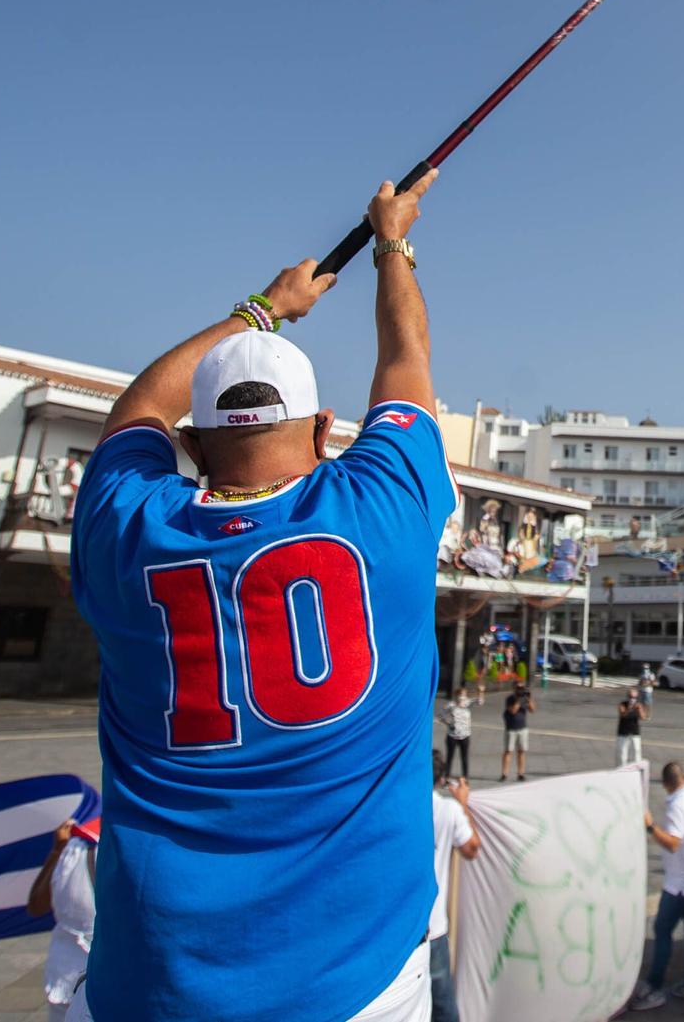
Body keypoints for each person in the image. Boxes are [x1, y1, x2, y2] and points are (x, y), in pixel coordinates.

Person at [68, 171, 455, 1021]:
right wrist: (393, 240)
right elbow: (406, 360)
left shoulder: (126, 521)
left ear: (196, 444)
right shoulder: (381, 510)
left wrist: (266, 306)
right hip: (356, 981)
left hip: (156, 978)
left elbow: (138, 407)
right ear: (325, 429)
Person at [630, 762, 684, 1011]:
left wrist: (651, 827)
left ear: (666, 784)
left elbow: (673, 843)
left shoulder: (677, 805)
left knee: (662, 929)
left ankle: (655, 987)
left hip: (681, 882)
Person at [24, 817, 97, 1022]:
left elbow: (36, 905)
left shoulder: (75, 845)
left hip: (64, 977)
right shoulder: (125, 847)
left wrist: (57, 851)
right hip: (103, 980)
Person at [428, 757, 479, 1022]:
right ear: (441, 780)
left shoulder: (397, 803)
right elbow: (471, 848)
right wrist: (463, 804)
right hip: (433, 925)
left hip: (399, 928)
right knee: (443, 1007)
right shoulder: (447, 810)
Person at [501, 680, 535, 782]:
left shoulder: (524, 697)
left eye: (522, 688)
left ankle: (521, 773)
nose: (520, 690)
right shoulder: (510, 699)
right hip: (511, 729)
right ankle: (504, 774)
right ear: (514, 689)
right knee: (508, 751)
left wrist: (529, 699)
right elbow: (513, 711)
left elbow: (533, 710)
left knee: (521, 751)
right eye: (518, 688)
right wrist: (519, 699)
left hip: (522, 729)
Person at [441, 688, 474, 781]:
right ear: (456, 695)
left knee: (464, 757)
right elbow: (440, 715)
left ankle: (465, 777)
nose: (462, 697)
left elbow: (480, 702)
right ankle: (447, 777)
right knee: (450, 756)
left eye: (464, 695)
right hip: (452, 735)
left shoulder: (468, 703)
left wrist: (481, 691)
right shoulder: (451, 705)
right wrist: (448, 723)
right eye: (461, 695)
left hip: (465, 735)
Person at [616, 688, 648, 767]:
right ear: (627, 697)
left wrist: (639, 709)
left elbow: (643, 717)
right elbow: (622, 714)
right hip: (623, 731)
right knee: (622, 752)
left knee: (637, 750)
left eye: (634, 697)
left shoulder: (639, 705)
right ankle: (621, 768)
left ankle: (637, 767)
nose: (632, 699)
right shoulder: (623, 704)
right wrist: (630, 708)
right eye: (631, 697)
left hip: (635, 731)